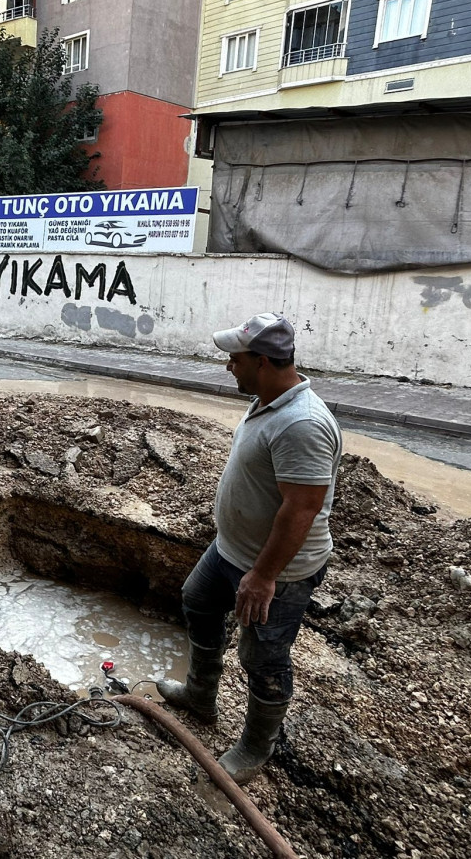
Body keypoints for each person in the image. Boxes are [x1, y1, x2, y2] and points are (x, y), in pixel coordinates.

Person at [157, 312, 342, 784]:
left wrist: (262, 577)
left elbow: (302, 509)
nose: (228, 368)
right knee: (197, 600)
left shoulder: (302, 423)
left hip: (276, 571)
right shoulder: (268, 399)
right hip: (230, 550)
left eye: (234, 359)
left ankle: (257, 746)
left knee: (263, 657)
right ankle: (200, 697)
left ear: (261, 361)